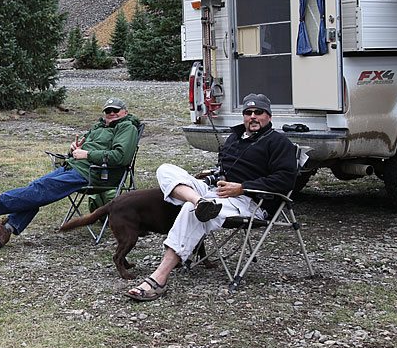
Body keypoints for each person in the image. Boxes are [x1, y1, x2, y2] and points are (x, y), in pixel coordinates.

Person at [126, 93, 296, 301]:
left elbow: (286, 180)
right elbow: (224, 167)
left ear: (268, 116)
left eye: (258, 112)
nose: (252, 117)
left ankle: (159, 278)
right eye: (248, 113)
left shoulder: (278, 142)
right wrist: (213, 177)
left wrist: (242, 187)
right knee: (165, 169)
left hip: (250, 201)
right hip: (216, 192)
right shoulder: (235, 137)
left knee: (190, 210)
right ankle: (199, 201)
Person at [0, 97, 141, 250]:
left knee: (41, 189)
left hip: (96, 174)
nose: (111, 113)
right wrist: (74, 149)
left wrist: (87, 154)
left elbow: (121, 157)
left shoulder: (127, 128)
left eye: (115, 110)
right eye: (107, 111)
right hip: (75, 166)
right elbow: (81, 151)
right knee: (35, 189)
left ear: (125, 112)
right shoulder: (99, 127)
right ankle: (5, 231)